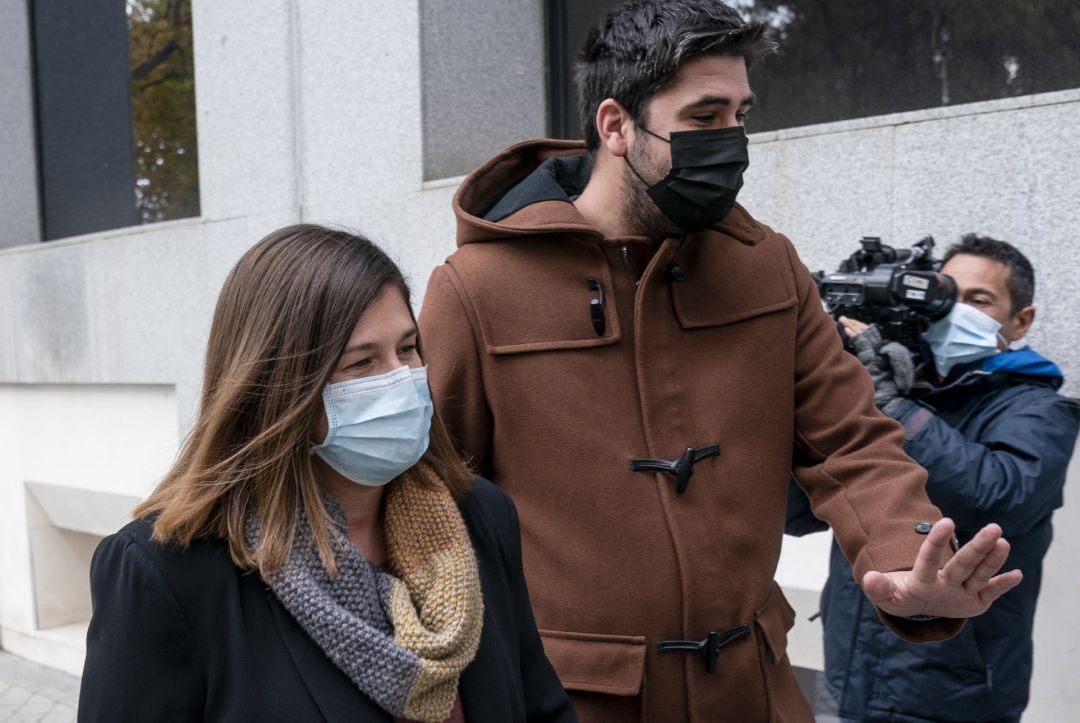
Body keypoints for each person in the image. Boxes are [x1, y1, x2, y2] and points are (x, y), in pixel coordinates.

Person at [417, 1, 1021, 720]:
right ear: (616, 126)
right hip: (571, 701)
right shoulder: (478, 288)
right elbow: (431, 496)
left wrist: (903, 556)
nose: (731, 141)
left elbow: (851, 438)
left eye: (742, 115)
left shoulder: (766, 265)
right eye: (705, 117)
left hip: (754, 689)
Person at [78, 225, 576, 723]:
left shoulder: (482, 516)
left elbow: (541, 707)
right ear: (278, 390)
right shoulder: (169, 572)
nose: (400, 380)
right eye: (361, 363)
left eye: (407, 350)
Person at [787, 234, 1080, 722]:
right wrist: (823, 401)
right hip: (848, 677)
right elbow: (799, 515)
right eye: (948, 296)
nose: (956, 311)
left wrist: (891, 407)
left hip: (955, 697)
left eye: (979, 299)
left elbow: (998, 495)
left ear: (1021, 320)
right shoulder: (897, 390)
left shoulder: (1039, 408)